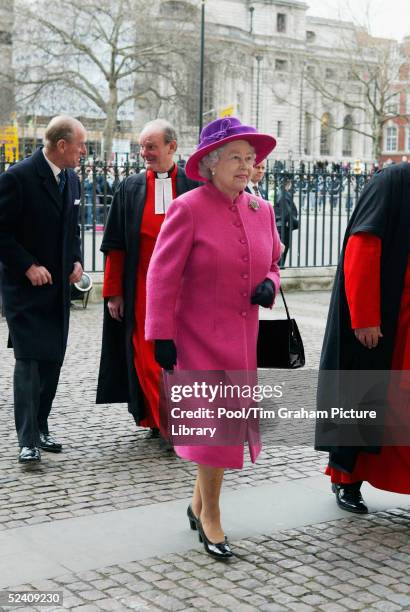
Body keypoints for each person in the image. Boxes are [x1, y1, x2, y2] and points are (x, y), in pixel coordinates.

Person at [145, 117, 281, 558]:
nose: (246, 166)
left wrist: (270, 285)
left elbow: (275, 264)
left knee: (225, 426)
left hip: (243, 337)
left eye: (250, 158)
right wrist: (160, 335)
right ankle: (212, 517)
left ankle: (197, 503)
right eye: (236, 158)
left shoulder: (263, 210)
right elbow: (161, 276)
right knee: (215, 429)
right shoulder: (187, 208)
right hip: (198, 336)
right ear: (212, 163)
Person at [316, 162, 410, 513]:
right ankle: (345, 480)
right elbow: (362, 246)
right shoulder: (392, 181)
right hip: (385, 318)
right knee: (362, 396)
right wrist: (365, 318)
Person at [96, 119, 199, 436]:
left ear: (172, 147)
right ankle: (165, 422)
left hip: (187, 290)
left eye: (150, 146)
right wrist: (114, 291)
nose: (144, 153)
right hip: (142, 288)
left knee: (186, 355)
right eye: (142, 146)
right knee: (146, 354)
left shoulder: (195, 186)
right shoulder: (130, 188)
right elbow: (115, 245)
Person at [0, 115, 86, 463]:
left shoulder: (72, 179)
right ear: (61, 145)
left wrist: (77, 260)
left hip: (58, 290)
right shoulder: (17, 178)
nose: (83, 151)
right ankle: (27, 440)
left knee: (53, 360)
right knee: (30, 361)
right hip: (24, 290)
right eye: (79, 145)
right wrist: (28, 265)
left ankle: (42, 427)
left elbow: (72, 229)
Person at [274, 178, 298, 266]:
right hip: (283, 228)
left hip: (281, 226)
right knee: (281, 257)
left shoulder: (281, 193)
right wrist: (296, 224)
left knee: (280, 255)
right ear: (289, 184)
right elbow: (288, 213)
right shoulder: (284, 195)